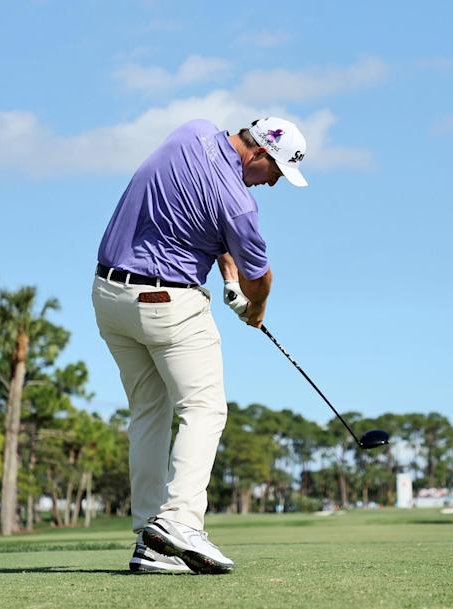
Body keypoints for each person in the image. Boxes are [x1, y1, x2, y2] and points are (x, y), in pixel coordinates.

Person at [92, 117, 308, 574]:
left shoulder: (191, 132)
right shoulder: (241, 206)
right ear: (260, 155)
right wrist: (256, 308)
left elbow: (197, 213)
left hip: (109, 297)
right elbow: (260, 276)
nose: (272, 185)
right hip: (167, 302)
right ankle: (180, 522)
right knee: (205, 409)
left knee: (149, 411)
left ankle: (151, 539)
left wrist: (226, 275)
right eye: (276, 173)